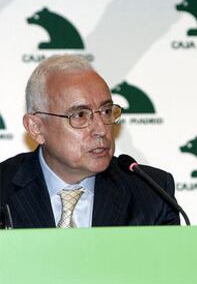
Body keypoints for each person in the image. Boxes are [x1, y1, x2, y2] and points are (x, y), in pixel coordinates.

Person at [0, 55, 179, 228]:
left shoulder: (152, 193)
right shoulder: (4, 187)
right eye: (80, 115)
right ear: (36, 128)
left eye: (107, 111)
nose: (101, 130)